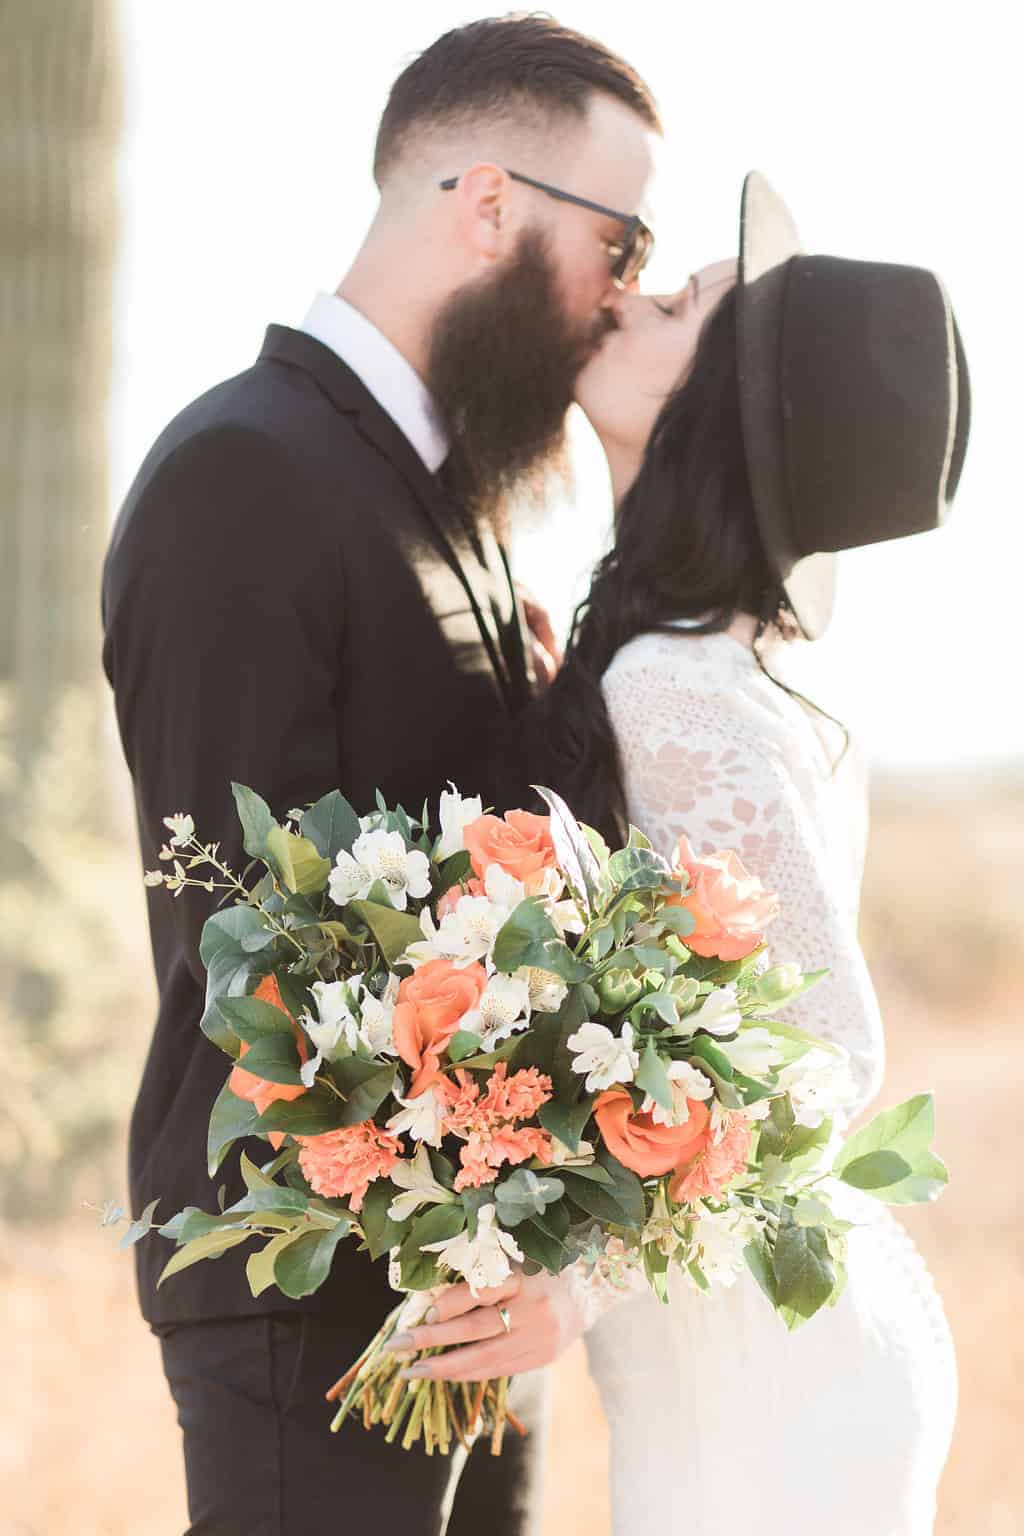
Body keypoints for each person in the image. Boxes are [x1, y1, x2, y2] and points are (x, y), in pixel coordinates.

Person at [100, 16, 660, 1534]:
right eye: (619, 239)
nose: (619, 293)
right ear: (487, 202)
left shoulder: (452, 497)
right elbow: (251, 936)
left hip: (461, 1280)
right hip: (316, 1297)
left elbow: (503, 857)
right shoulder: (250, 473)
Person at [392, 173, 968, 1535]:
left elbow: (820, 1047)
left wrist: (570, 1281)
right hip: (791, 1338)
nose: (633, 294)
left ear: (727, 410)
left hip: (761, 1378)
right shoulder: (706, 666)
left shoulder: (676, 687)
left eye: (684, 300)